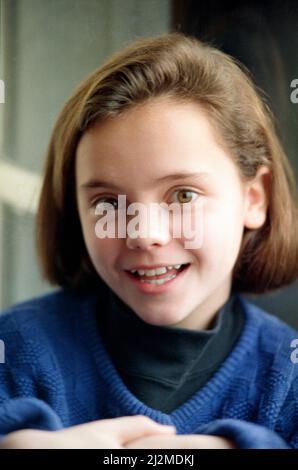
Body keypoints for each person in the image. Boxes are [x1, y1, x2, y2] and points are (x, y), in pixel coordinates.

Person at [0, 32, 298, 449]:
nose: (143, 234)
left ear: (254, 198)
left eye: (183, 195)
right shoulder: (15, 347)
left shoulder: (288, 374)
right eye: (107, 202)